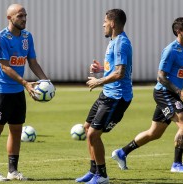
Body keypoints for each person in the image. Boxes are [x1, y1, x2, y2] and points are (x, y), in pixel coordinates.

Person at [112, 16, 183, 173]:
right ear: (179, 32)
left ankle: (122, 152)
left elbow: (180, 71)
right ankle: (177, 165)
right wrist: (180, 91)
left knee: (155, 133)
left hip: (171, 93)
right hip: (164, 92)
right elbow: (161, 76)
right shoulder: (170, 50)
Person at [0, 4, 49, 181]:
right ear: (10, 18)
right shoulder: (0, 38)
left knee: (16, 130)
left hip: (17, 91)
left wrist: (46, 81)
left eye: (25, 16)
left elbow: (32, 61)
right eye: (20, 16)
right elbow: (5, 66)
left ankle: (12, 171)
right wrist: (25, 83)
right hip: (1, 90)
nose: (24, 19)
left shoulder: (27, 37)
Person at [75, 9, 133, 184]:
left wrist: (99, 81)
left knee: (93, 134)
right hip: (107, 93)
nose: (103, 25)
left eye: (105, 22)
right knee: (87, 128)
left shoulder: (122, 43)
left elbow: (120, 73)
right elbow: (114, 68)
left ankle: (102, 176)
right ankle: (93, 171)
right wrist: (101, 70)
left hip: (117, 97)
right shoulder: (113, 41)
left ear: (112, 24)